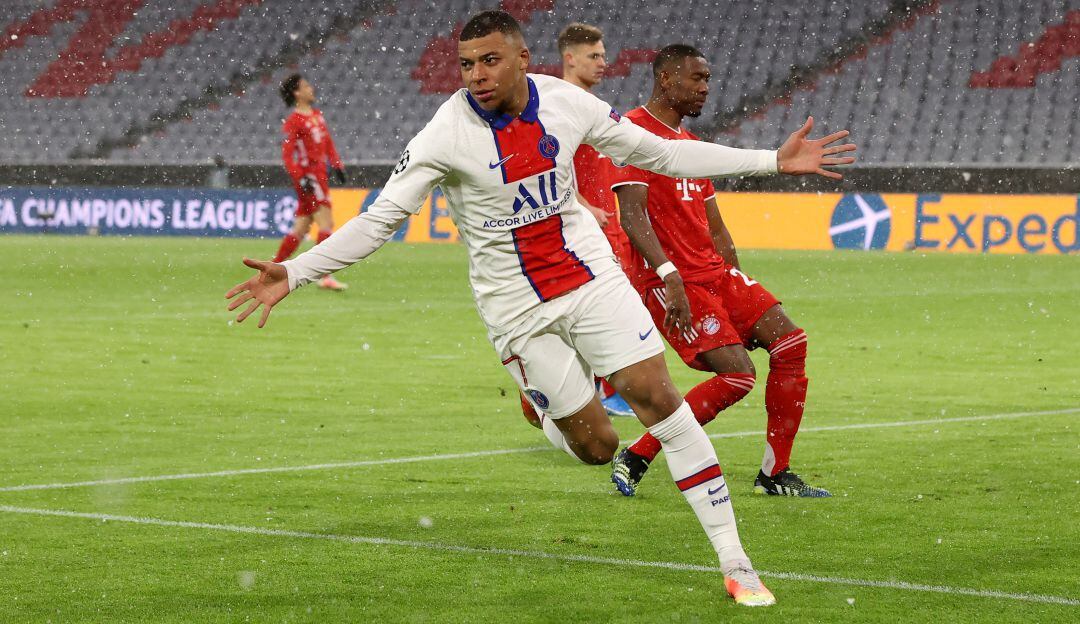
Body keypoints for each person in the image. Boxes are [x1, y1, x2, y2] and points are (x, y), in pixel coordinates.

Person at [226, 11, 854, 607]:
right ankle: (548, 409)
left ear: (523, 59)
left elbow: (659, 154)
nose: (476, 75)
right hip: (517, 309)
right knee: (598, 447)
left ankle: (736, 564)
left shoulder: (566, 101)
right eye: (467, 64)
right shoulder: (444, 135)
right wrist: (298, 270)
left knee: (658, 398)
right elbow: (380, 220)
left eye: (490, 61)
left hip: (589, 280)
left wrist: (772, 159)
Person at [609, 45, 830, 499]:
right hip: (667, 281)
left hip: (713, 274)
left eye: (707, 78)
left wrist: (737, 286)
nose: (706, 87)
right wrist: (669, 275)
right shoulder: (632, 133)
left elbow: (715, 224)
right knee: (738, 376)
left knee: (791, 343)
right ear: (666, 80)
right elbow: (632, 216)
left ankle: (775, 474)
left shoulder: (692, 148)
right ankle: (639, 452)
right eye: (697, 78)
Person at [274, 73, 349, 291]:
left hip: (320, 177)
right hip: (309, 179)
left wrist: (337, 165)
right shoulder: (293, 122)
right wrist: (301, 177)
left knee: (301, 228)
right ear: (297, 93)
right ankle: (323, 275)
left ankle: (273, 268)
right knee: (326, 224)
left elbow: (328, 143)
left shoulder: (317, 115)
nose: (311, 89)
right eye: (306, 86)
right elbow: (288, 156)